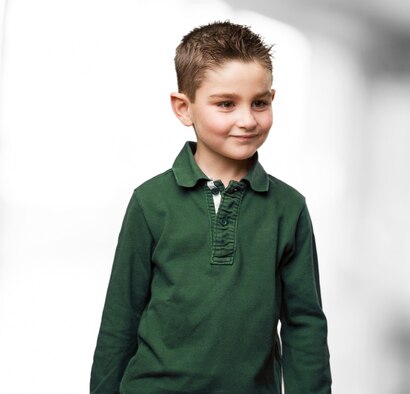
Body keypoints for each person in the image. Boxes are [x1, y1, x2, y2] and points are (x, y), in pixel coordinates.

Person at [90, 21, 331, 393]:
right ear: (184, 108)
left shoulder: (289, 208)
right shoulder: (150, 202)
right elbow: (120, 320)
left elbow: (305, 326)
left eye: (260, 103)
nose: (247, 120)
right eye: (226, 104)